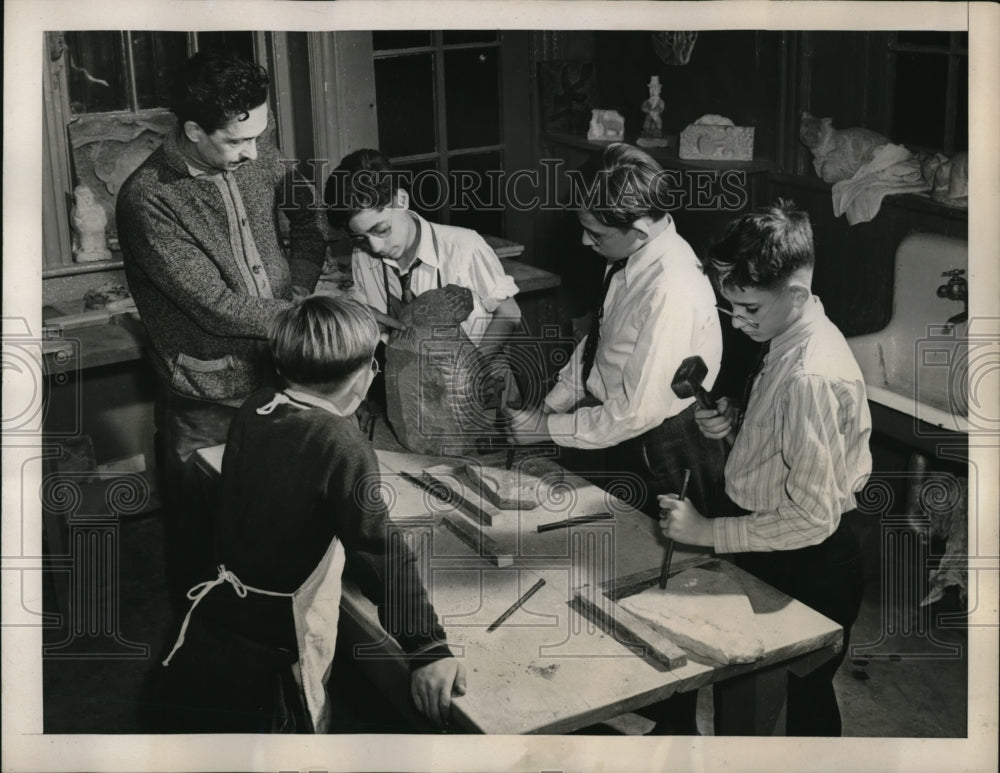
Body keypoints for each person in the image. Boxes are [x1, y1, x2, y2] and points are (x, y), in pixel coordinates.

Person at [157, 296, 466, 732]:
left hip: (225, 616)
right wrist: (427, 646)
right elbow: (378, 548)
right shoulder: (340, 440)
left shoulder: (258, 406)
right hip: (284, 636)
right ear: (363, 377)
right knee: (298, 728)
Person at [658, 200, 872, 736]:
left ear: (796, 294)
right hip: (773, 544)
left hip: (810, 562)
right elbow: (790, 441)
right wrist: (739, 426)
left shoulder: (810, 374)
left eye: (749, 308)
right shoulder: (788, 333)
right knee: (745, 688)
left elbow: (813, 517)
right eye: (731, 307)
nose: (738, 321)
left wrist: (708, 531)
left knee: (796, 702)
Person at [116, 51, 326, 588]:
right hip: (205, 394)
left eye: (261, 135)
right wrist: (300, 319)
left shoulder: (257, 152)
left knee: (277, 526)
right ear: (192, 130)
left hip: (276, 379)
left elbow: (308, 220)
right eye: (236, 142)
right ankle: (203, 652)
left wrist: (299, 284)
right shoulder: (148, 198)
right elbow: (215, 305)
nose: (256, 153)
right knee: (205, 538)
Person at [505, 142, 727, 521]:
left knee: (671, 568)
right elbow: (601, 341)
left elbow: (639, 412)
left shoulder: (671, 291)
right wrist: (552, 404)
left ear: (639, 230)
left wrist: (545, 428)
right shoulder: (629, 256)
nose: (584, 241)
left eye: (596, 233)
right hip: (620, 429)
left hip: (662, 448)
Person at [323, 149, 522, 395]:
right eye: (360, 238)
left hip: (484, 385)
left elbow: (509, 313)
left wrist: (475, 367)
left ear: (401, 200)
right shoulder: (362, 256)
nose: (375, 247)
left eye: (381, 229)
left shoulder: (464, 246)